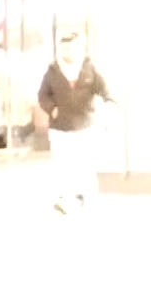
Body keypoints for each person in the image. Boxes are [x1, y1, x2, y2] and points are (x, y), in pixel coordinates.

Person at [38, 31, 111, 214]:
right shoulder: (52, 71)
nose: (66, 52)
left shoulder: (90, 69)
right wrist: (51, 109)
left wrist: (110, 104)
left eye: (69, 48)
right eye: (63, 48)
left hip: (85, 125)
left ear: (79, 49)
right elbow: (42, 95)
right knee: (63, 166)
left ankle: (90, 199)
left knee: (86, 165)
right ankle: (66, 200)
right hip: (60, 128)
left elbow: (105, 90)